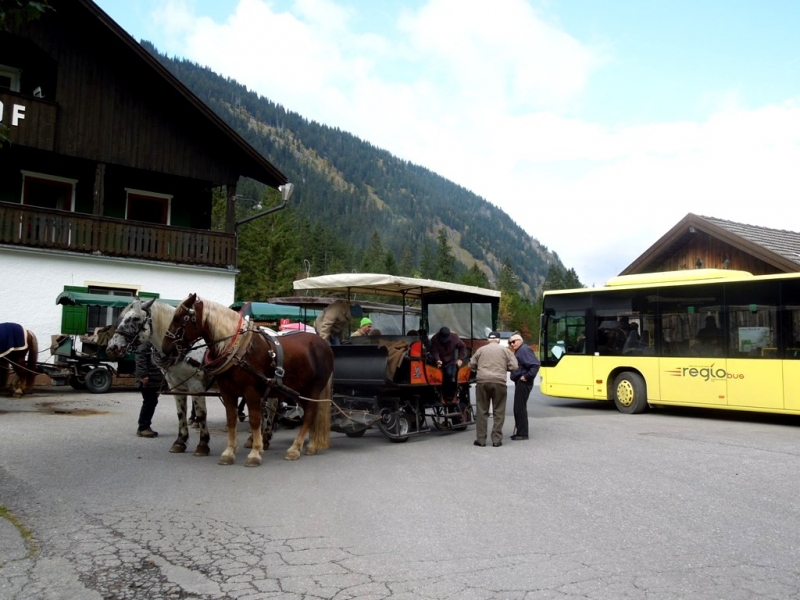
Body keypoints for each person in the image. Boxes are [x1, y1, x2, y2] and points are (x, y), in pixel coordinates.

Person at [469, 331, 518, 447]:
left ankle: (481, 440)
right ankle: (496, 440)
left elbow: (471, 365)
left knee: (482, 411)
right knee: (498, 411)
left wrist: (478, 369)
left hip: (482, 382)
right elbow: (515, 366)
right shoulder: (505, 351)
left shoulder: (481, 350)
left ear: (488, 340)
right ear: (499, 340)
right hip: (499, 382)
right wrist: (505, 368)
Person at [508, 334, 540, 441]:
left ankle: (522, 433)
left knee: (519, 407)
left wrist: (527, 376)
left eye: (514, 342)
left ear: (520, 341)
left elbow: (535, 364)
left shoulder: (524, 350)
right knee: (518, 407)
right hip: (520, 381)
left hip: (523, 382)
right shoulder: (521, 350)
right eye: (510, 342)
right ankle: (520, 431)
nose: (512, 344)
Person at [430, 326, 467, 402]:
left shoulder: (454, 337)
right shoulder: (435, 339)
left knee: (449, 374)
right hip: (439, 360)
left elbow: (462, 346)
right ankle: (438, 393)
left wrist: (460, 359)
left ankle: (448, 395)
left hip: (450, 360)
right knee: (435, 376)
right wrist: (437, 360)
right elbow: (434, 351)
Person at [135, 340, 163, 438]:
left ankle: (145, 426)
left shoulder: (155, 344)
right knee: (149, 402)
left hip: (154, 380)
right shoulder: (145, 346)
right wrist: (143, 375)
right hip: (147, 380)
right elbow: (140, 360)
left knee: (152, 402)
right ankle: (142, 428)